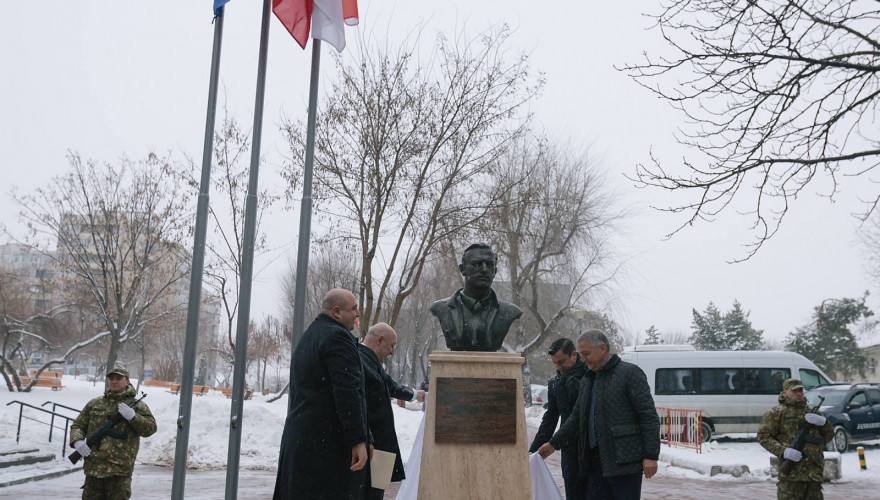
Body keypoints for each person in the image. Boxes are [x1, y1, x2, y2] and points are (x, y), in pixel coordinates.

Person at [537, 330, 660, 500]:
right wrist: (552, 444)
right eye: (581, 354)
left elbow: (647, 416)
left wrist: (651, 455)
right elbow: (576, 418)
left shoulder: (630, 373)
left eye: (586, 354)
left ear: (602, 348)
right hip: (594, 464)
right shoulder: (588, 379)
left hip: (624, 462)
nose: (583, 359)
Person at [273, 288, 370, 500]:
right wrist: (358, 440)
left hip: (303, 442)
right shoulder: (337, 338)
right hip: (324, 448)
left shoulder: (311, 335)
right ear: (336, 311)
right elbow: (347, 392)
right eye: (353, 309)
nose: (357, 314)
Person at [358, 323, 426, 500]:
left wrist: (414, 394)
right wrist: (365, 437)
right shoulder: (359, 359)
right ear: (380, 340)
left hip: (380, 445)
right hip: (372, 445)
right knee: (371, 494)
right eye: (392, 345)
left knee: (377, 491)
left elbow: (389, 384)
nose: (393, 351)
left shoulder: (371, 360)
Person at [69, 367, 156, 500]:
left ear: (127, 381)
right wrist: (77, 441)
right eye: (111, 379)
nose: (114, 382)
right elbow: (78, 425)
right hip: (94, 470)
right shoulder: (95, 403)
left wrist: (134, 417)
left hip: (119, 472)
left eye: (118, 379)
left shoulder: (137, 406)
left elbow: (150, 429)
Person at [429, 243, 522, 351]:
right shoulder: (441, 309)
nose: (484, 269)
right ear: (462, 269)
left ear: (495, 272)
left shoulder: (509, 312)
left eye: (489, 264)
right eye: (477, 264)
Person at [529, 338, 587, 500]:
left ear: (574, 355)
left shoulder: (590, 377)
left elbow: (580, 416)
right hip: (569, 449)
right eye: (555, 363)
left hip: (592, 448)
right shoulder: (554, 383)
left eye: (561, 361)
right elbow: (550, 418)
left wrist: (554, 443)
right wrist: (533, 450)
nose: (558, 367)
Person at [758, 378, 833, 499]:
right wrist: (783, 451)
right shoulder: (776, 413)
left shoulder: (813, 413)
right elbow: (763, 437)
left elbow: (828, 437)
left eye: (801, 390)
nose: (799, 393)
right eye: (794, 391)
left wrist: (824, 423)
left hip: (813, 474)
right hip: (792, 476)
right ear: (785, 391)